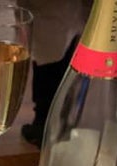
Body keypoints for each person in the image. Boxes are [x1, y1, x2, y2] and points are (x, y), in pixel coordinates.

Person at [20, 0, 91, 147]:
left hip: (50, 15)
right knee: (60, 63)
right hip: (63, 15)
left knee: (49, 67)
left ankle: (44, 127)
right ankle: (58, 124)